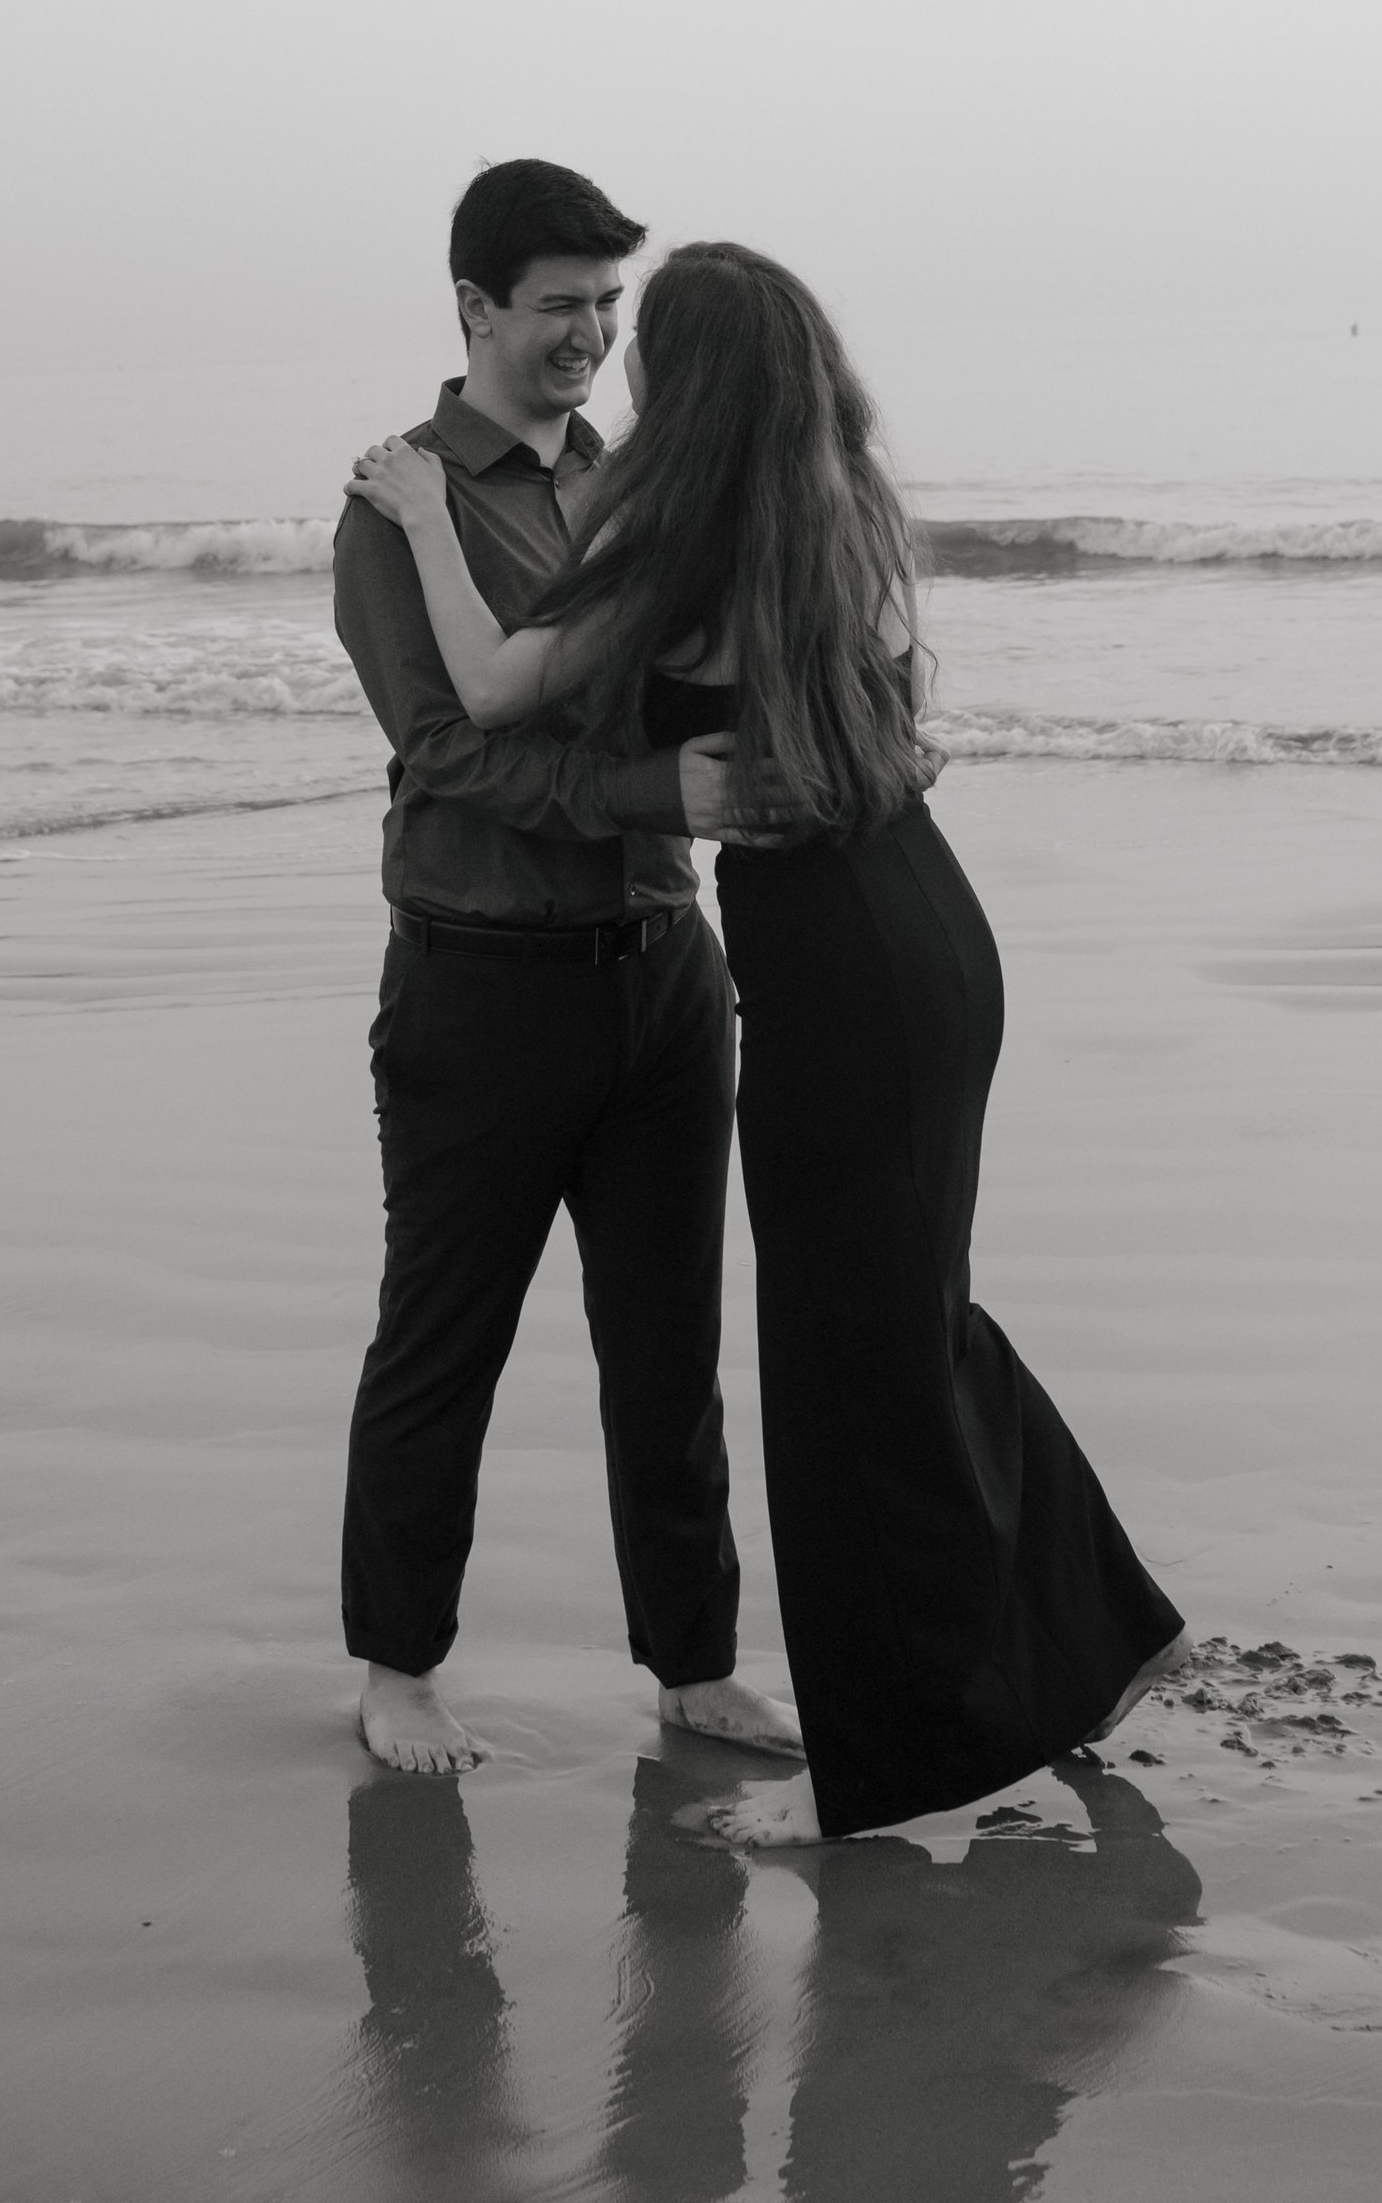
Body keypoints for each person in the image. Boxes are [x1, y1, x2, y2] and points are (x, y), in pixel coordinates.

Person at [347, 238, 1189, 1842]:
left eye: (636, 328)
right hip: (930, 931)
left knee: (842, 1364)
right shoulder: (834, 497)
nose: (613, 347)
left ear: (694, 378)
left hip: (830, 963)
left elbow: (493, 677)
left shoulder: (679, 527)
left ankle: (912, 1746)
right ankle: (1101, 1629)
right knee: (914, 1320)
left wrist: (420, 516)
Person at [333, 160, 803, 1778]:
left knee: (670, 1348)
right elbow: (449, 749)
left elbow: (662, 696)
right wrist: (641, 791)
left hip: (667, 970)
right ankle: (398, 1671)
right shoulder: (395, 503)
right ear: (473, 307)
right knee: (441, 1340)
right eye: (559, 307)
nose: (592, 337)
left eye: (611, 305)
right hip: (481, 986)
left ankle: (695, 1665)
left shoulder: (625, 483)